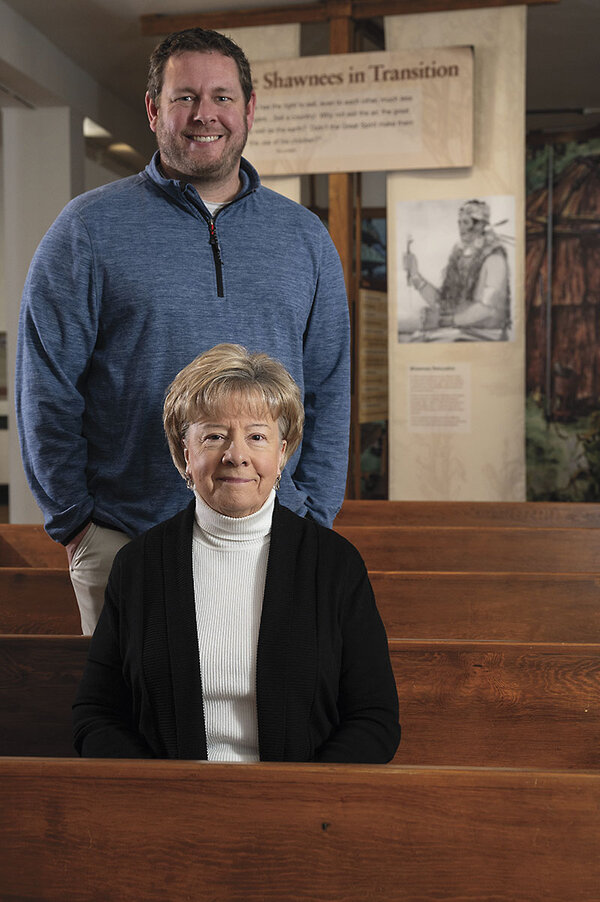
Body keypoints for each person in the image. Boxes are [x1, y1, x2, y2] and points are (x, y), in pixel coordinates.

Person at [15, 27, 350, 636]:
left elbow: (327, 387)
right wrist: (77, 524)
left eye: (222, 97)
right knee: (132, 725)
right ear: (153, 110)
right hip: (124, 537)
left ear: (249, 109)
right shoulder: (87, 230)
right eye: (184, 97)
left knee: (262, 722)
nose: (205, 115)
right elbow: (46, 383)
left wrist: (314, 518)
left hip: (271, 538)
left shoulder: (305, 239)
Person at [72, 345, 400, 763]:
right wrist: (157, 796)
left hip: (300, 811)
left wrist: (304, 801)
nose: (236, 455)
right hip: (168, 809)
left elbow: (375, 719)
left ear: (283, 453)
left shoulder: (334, 565)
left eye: (257, 436)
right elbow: (96, 715)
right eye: (214, 436)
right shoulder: (138, 564)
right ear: (185, 453)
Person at [403, 199, 510, 339]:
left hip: (486, 336)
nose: (461, 229)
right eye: (459, 223)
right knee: (417, 339)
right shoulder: (458, 258)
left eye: (466, 222)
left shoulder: (494, 258)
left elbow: (487, 309)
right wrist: (415, 274)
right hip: (459, 332)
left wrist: (443, 321)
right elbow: (443, 303)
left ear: (480, 226)